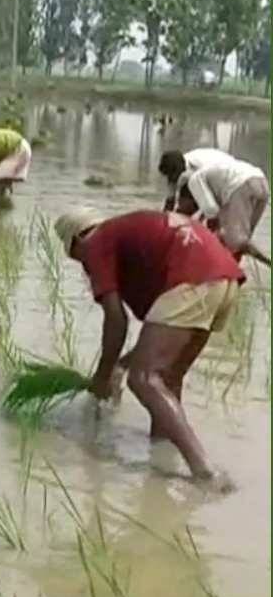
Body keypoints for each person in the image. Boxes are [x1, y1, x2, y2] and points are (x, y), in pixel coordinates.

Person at [53, 206, 245, 493]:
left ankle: (206, 471)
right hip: (225, 277)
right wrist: (120, 364)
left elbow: (116, 319)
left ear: (77, 240)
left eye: (75, 256)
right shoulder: (129, 232)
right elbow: (159, 334)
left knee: (143, 379)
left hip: (193, 279)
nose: (84, 266)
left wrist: (102, 375)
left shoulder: (95, 241)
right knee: (167, 378)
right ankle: (162, 453)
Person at [159, 148, 271, 267]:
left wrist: (208, 236)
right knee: (239, 240)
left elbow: (211, 210)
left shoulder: (195, 176)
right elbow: (172, 201)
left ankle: (231, 271)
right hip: (260, 181)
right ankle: (232, 270)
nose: (170, 182)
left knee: (233, 239)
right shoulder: (184, 163)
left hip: (239, 185)